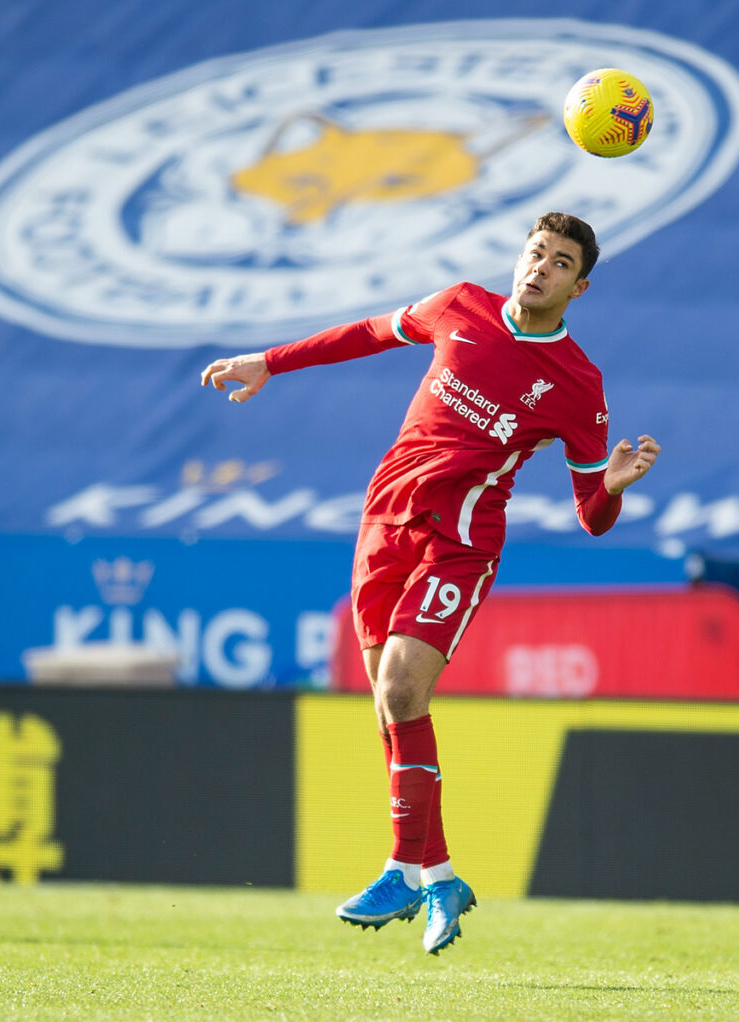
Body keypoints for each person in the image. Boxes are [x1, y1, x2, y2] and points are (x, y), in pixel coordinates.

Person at [201, 212, 660, 955]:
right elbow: (368, 334)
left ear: (581, 285)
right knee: (389, 699)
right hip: (384, 522)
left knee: (402, 691)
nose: (540, 266)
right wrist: (270, 362)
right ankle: (438, 875)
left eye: (560, 261)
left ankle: (400, 868)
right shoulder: (460, 306)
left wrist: (611, 483)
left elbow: (592, 516)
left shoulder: (578, 382)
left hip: (460, 542)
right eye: (535, 251)